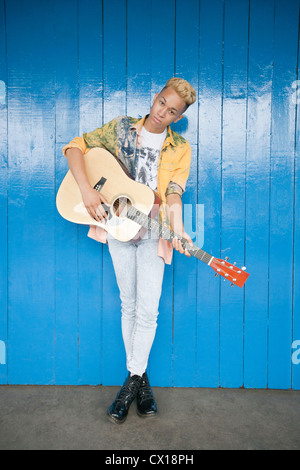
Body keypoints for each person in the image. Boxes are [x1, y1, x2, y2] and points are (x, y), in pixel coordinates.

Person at [63, 77, 196, 424]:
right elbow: (75, 147)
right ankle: (141, 382)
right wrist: (88, 192)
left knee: (147, 310)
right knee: (130, 304)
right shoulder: (121, 128)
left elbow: (173, 194)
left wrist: (178, 230)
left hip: (152, 227)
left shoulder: (180, 148)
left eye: (172, 111)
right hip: (117, 224)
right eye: (162, 102)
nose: (163, 112)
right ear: (155, 97)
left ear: (179, 117)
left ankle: (131, 383)